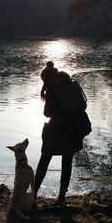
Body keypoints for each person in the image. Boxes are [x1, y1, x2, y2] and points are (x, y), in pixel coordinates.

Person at [34, 62, 87, 205]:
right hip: (73, 129)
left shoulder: (52, 90)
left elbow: (47, 113)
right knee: (67, 162)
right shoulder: (73, 84)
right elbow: (83, 105)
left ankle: (33, 194)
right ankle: (62, 197)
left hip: (56, 130)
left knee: (44, 159)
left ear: (47, 78)